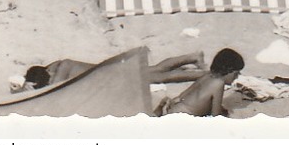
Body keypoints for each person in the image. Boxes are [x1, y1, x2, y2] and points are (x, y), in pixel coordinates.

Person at [20, 52, 208, 91]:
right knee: (155, 70)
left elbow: (52, 90)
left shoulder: (61, 72)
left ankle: (202, 74)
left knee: (160, 77)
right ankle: (193, 57)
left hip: (115, 76)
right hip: (111, 70)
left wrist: (25, 88)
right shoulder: (57, 65)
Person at [159, 49, 244, 116]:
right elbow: (215, 115)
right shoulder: (219, 83)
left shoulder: (207, 76)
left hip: (174, 110)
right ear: (228, 70)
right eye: (236, 73)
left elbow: (183, 95)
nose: (237, 77)